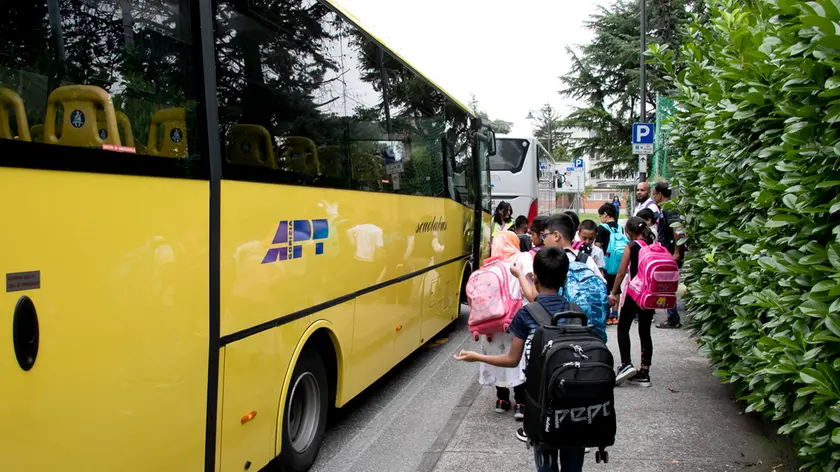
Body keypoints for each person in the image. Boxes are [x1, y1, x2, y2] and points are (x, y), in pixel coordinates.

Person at [455, 247, 587, 472]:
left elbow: (512, 360)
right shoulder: (576, 311)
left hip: (542, 403)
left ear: (534, 278)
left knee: (545, 461)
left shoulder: (527, 314)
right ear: (564, 279)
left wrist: (477, 356)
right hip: (574, 402)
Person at [478, 231, 533, 419]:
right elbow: (530, 288)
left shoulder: (489, 266)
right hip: (516, 318)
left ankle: (501, 399)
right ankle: (520, 402)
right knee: (517, 359)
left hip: (491, 322)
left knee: (497, 356)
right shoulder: (522, 258)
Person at [608, 217, 656, 387]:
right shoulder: (652, 245)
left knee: (623, 327)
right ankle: (644, 371)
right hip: (650, 294)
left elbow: (621, 273)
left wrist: (613, 292)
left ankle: (626, 364)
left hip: (635, 292)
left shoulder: (632, 246)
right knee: (645, 330)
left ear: (628, 232)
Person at [652, 182, 684, 329]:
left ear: (659, 194)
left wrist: (676, 252)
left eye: (654, 193)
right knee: (666, 284)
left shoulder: (668, 209)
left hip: (670, 252)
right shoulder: (667, 208)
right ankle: (672, 316)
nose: (653, 197)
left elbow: (676, 229)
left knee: (666, 285)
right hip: (667, 251)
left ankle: (673, 318)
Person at [596, 203, 621, 325]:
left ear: (605, 214)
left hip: (605, 263)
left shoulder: (601, 228)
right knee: (616, 289)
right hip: (617, 263)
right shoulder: (620, 227)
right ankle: (615, 315)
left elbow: (597, 246)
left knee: (605, 289)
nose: (600, 218)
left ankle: (606, 315)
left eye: (601, 215)